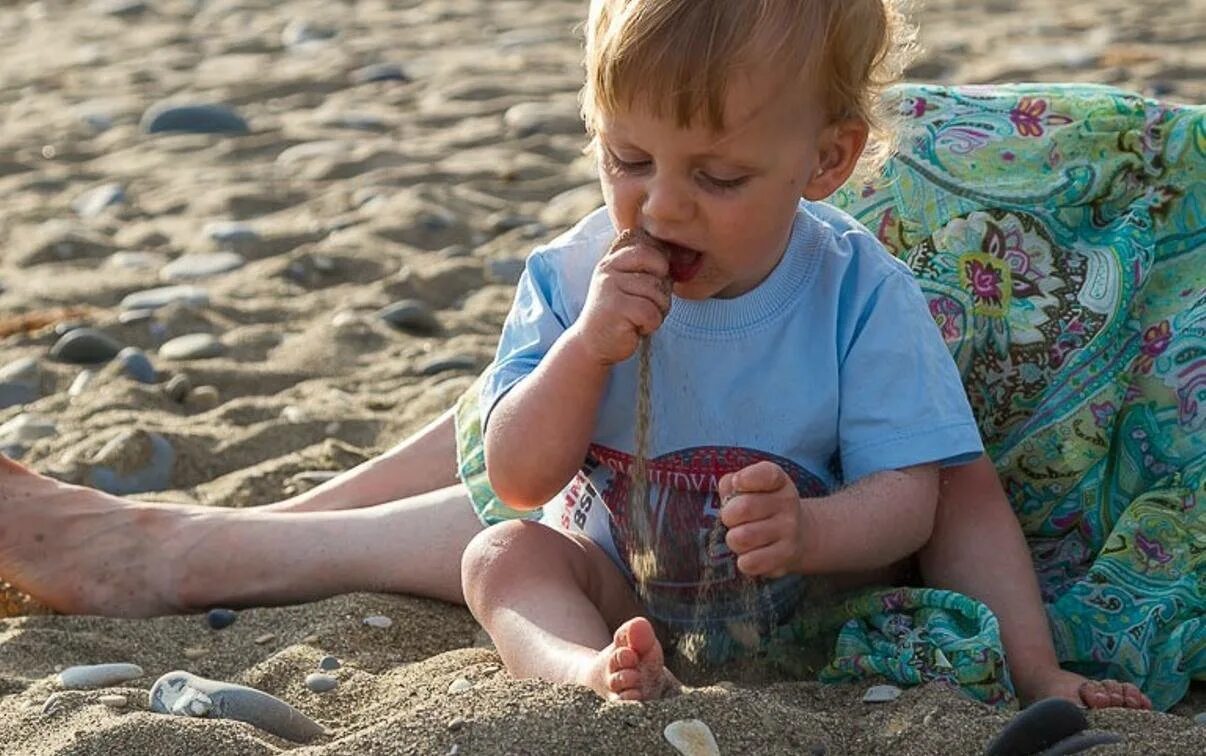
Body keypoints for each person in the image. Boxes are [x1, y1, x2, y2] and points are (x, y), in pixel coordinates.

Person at [0, 0, 1150, 712]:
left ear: (828, 161)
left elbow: (911, 495)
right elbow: (514, 478)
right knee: (502, 558)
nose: (663, 207)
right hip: (625, 570)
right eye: (628, 159)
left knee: (961, 477)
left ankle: (1037, 667)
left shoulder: (858, 288)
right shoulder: (572, 273)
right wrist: (584, 353)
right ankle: (589, 674)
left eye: (718, 176)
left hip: (808, 601)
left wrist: (818, 530)